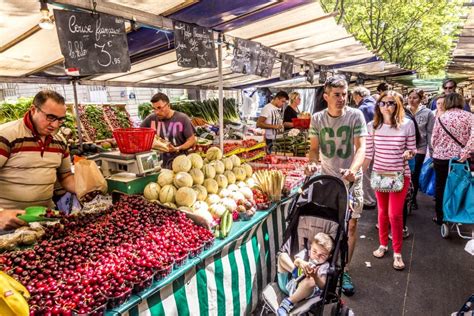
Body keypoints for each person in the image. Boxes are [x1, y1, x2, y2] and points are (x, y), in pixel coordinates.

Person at [305, 75, 367, 296]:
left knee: (350, 226)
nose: (342, 99)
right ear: (326, 96)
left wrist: (353, 169)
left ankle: (344, 269)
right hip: (327, 179)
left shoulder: (355, 116)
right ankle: (323, 265)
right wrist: (312, 164)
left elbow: (361, 148)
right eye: (337, 95)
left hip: (351, 181)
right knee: (328, 224)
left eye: (344, 94)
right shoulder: (317, 118)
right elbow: (314, 148)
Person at [0, 90, 75, 231]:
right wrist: (1, 213)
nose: (55, 125)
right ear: (34, 110)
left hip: (46, 219)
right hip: (9, 224)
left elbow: (65, 177)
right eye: (50, 117)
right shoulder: (6, 136)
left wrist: (86, 188)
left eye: (60, 119)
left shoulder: (60, 142)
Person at [363, 91, 416, 270]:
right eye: (383, 103)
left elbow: (413, 149)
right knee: (382, 212)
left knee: (395, 214)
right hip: (379, 175)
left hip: (400, 175)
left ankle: (398, 252)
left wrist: (409, 154)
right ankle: (383, 244)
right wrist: (357, 172)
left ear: (398, 105)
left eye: (391, 103)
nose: (386, 106)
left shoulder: (407, 125)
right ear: (378, 105)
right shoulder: (372, 126)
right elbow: (368, 153)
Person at [431, 93, 473, 225]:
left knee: (441, 186)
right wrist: (465, 153)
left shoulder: (441, 118)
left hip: (441, 157)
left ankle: (440, 216)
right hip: (462, 159)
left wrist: (441, 149)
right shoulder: (470, 117)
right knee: (462, 185)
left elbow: (434, 140)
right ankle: (459, 213)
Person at [276, 232, 333, 316]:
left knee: (311, 281)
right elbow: (296, 261)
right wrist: (301, 262)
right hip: (290, 284)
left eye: (322, 255)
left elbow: (322, 285)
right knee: (282, 256)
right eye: (314, 251)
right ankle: (296, 273)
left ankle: (286, 304)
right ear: (310, 249)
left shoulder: (325, 266)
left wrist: (315, 276)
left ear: (329, 256)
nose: (317, 256)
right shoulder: (306, 253)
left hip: (305, 292)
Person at [141, 92, 196, 169]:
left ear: (168, 105)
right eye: (154, 109)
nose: (157, 112)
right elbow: (138, 133)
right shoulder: (150, 119)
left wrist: (177, 148)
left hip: (180, 165)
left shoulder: (182, 118)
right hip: (158, 165)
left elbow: (191, 140)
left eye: (160, 108)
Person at [406, 89, 435, 210]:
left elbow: (430, 132)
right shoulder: (402, 110)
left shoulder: (428, 113)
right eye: (410, 97)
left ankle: (413, 199)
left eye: (415, 98)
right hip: (404, 147)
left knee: (415, 173)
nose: (412, 100)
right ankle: (405, 197)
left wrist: (432, 149)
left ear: (421, 99)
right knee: (404, 174)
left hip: (420, 148)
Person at [352, 86, 377, 209]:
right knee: (373, 171)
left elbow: (360, 132)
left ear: (358, 96)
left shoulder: (363, 108)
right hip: (379, 144)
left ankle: (369, 200)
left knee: (366, 172)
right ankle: (374, 197)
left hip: (368, 144)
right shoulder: (376, 104)